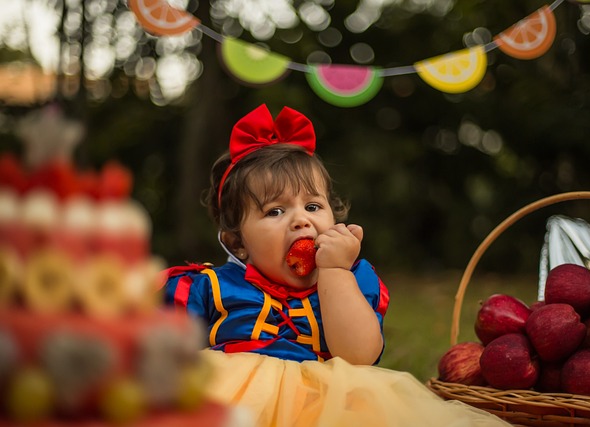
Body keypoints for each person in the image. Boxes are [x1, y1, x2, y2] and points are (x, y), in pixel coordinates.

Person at [162, 104, 510, 427]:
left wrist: (335, 271)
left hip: (331, 405)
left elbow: (359, 355)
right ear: (238, 241)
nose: (301, 221)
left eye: (313, 207)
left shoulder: (350, 279)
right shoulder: (211, 286)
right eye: (275, 211)